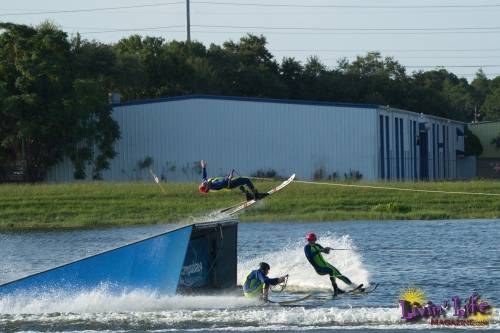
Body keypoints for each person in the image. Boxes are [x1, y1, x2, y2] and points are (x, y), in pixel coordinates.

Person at [304, 232, 363, 296]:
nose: (310, 241)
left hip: (326, 264)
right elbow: (309, 256)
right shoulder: (307, 247)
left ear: (315, 239)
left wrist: (327, 249)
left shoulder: (317, 245)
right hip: (319, 268)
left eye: (312, 240)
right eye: (309, 240)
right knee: (330, 271)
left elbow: (326, 252)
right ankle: (336, 289)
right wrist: (319, 250)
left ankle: (355, 287)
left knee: (339, 275)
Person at [198, 160, 268, 201]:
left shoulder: (206, 182)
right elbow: (222, 183)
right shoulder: (214, 186)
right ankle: (255, 194)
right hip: (229, 184)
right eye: (205, 184)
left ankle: (248, 196)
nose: (205, 182)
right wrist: (229, 178)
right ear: (207, 188)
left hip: (228, 181)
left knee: (241, 184)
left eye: (203, 183)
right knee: (246, 180)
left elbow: (204, 176)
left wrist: (203, 167)